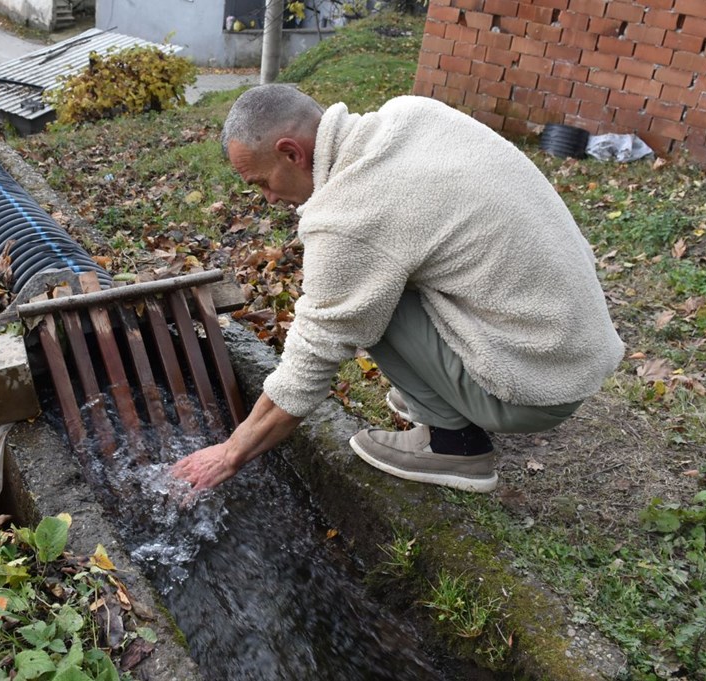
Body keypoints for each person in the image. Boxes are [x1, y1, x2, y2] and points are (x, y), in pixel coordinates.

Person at [171, 84, 624, 494]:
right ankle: (441, 395)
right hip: (574, 344)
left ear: (292, 153)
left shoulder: (350, 217)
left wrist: (231, 452)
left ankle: (455, 446)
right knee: (387, 274)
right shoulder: (412, 115)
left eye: (263, 183)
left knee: (362, 304)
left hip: (536, 386)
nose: (268, 198)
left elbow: (311, 359)